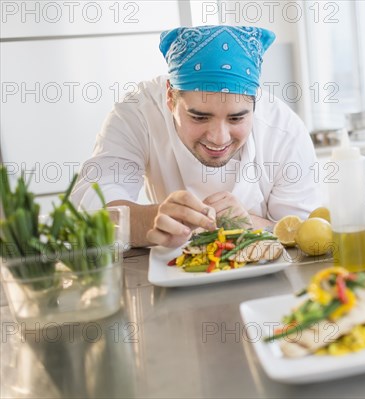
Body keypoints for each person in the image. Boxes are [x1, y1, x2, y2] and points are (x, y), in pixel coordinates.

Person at [71, 25, 321, 248]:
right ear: (170, 98)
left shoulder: (284, 131)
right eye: (199, 117)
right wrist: (151, 220)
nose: (219, 138)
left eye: (236, 119)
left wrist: (250, 224)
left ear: (255, 104)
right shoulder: (137, 113)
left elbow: (304, 235)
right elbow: (89, 214)